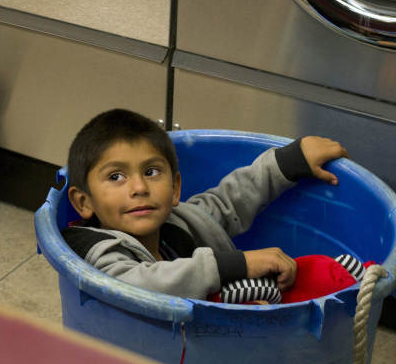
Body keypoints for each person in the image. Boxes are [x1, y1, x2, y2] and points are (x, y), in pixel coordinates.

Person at [62, 109, 349, 301]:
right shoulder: (99, 253)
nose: (139, 188)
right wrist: (238, 266)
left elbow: (231, 199)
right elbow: (137, 285)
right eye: (116, 176)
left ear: (175, 188)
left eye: (151, 172)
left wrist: (289, 162)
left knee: (315, 276)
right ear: (84, 202)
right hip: (147, 361)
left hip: (208, 349)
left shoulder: (179, 224)